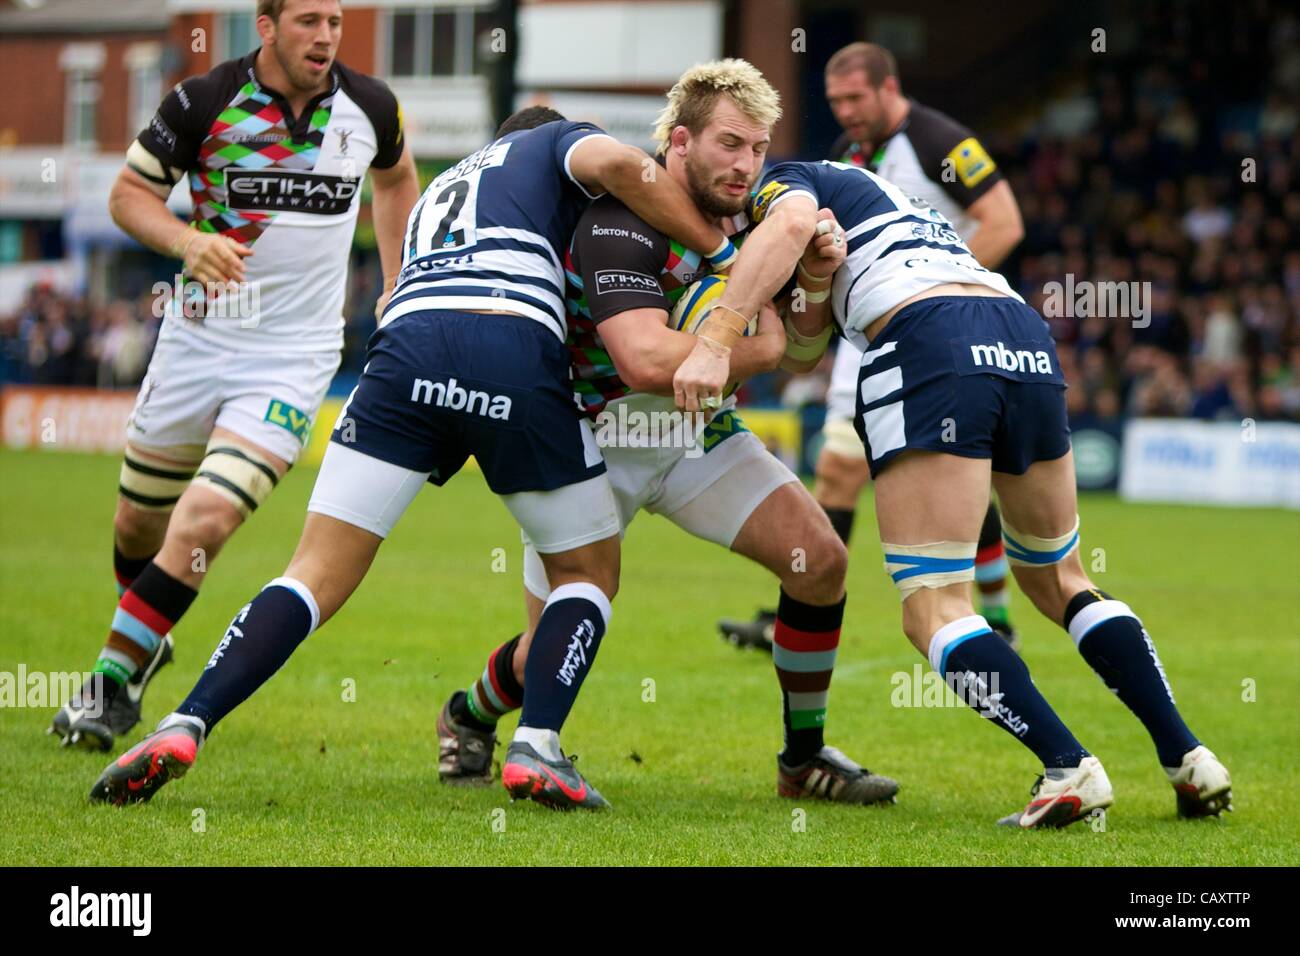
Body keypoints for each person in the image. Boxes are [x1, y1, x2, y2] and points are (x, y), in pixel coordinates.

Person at [88, 103, 744, 809]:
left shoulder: (443, 184)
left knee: (311, 573)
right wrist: (721, 248)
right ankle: (539, 746)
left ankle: (187, 719)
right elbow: (621, 166)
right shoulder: (552, 143)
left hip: (404, 353)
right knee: (586, 572)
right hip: (507, 338)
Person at [671, 157, 1232, 827]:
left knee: (931, 607)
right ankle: (1190, 757)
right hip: (1020, 331)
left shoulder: (785, 184)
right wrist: (816, 277)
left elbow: (790, 238)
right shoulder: (886, 202)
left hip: (927, 338)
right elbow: (807, 345)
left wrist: (719, 332)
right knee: (1060, 577)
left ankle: (1067, 767)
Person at [436, 61, 897, 808]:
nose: (746, 164)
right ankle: (469, 714)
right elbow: (647, 360)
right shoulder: (617, 218)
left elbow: (805, 351)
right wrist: (757, 345)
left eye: (757, 146)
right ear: (679, 142)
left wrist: (812, 279)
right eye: (728, 144)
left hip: (697, 439)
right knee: (551, 648)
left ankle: (802, 759)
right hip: (592, 441)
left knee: (821, 563)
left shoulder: (752, 217)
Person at [51, 0, 420, 751]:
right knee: (138, 527)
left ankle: (108, 685)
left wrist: (397, 282)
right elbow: (128, 196)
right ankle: (146, 632)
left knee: (206, 521)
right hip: (194, 345)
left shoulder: (372, 107)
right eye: (308, 20)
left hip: (294, 360)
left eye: (336, 22)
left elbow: (396, 178)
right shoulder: (202, 100)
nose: (325, 37)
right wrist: (188, 241)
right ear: (266, 22)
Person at [718, 41, 1026, 651]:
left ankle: (998, 617)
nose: (846, 111)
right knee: (836, 470)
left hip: (938, 328)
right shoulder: (844, 157)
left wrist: (932, 292)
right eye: (835, 102)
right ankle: (798, 610)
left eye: (856, 98)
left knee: (953, 470)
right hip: (864, 333)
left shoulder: (941, 141)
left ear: (889, 88)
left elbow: (1005, 222)